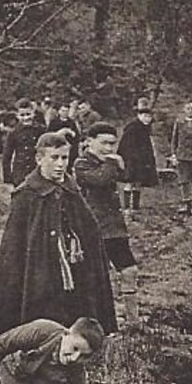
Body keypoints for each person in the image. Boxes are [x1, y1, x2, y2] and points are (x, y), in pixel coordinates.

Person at [0, 132, 117, 336]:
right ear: (39, 159)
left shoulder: (72, 191)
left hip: (75, 271)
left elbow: (90, 233)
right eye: (54, 158)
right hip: (41, 276)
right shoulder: (26, 195)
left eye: (65, 158)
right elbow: (13, 250)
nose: (60, 164)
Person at [73, 123, 141, 326]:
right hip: (95, 229)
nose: (109, 148)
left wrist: (118, 164)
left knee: (129, 271)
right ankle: (96, 322)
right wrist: (114, 162)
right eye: (103, 143)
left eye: (112, 143)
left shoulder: (108, 163)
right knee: (97, 278)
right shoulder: (81, 163)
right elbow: (100, 180)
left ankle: (133, 320)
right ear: (89, 141)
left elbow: (128, 176)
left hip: (115, 228)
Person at [117, 98, 159, 212]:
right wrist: (131, 158)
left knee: (138, 183)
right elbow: (126, 146)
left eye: (149, 117)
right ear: (139, 116)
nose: (148, 119)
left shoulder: (145, 128)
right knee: (129, 182)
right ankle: (126, 207)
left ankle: (135, 207)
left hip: (142, 160)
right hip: (132, 160)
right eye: (145, 116)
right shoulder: (132, 128)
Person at [1, 99, 43, 187]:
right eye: (22, 115)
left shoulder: (41, 130)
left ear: (33, 113)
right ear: (17, 115)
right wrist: (8, 180)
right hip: (20, 174)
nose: (26, 118)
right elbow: (6, 157)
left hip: (37, 173)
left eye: (28, 114)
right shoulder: (14, 133)